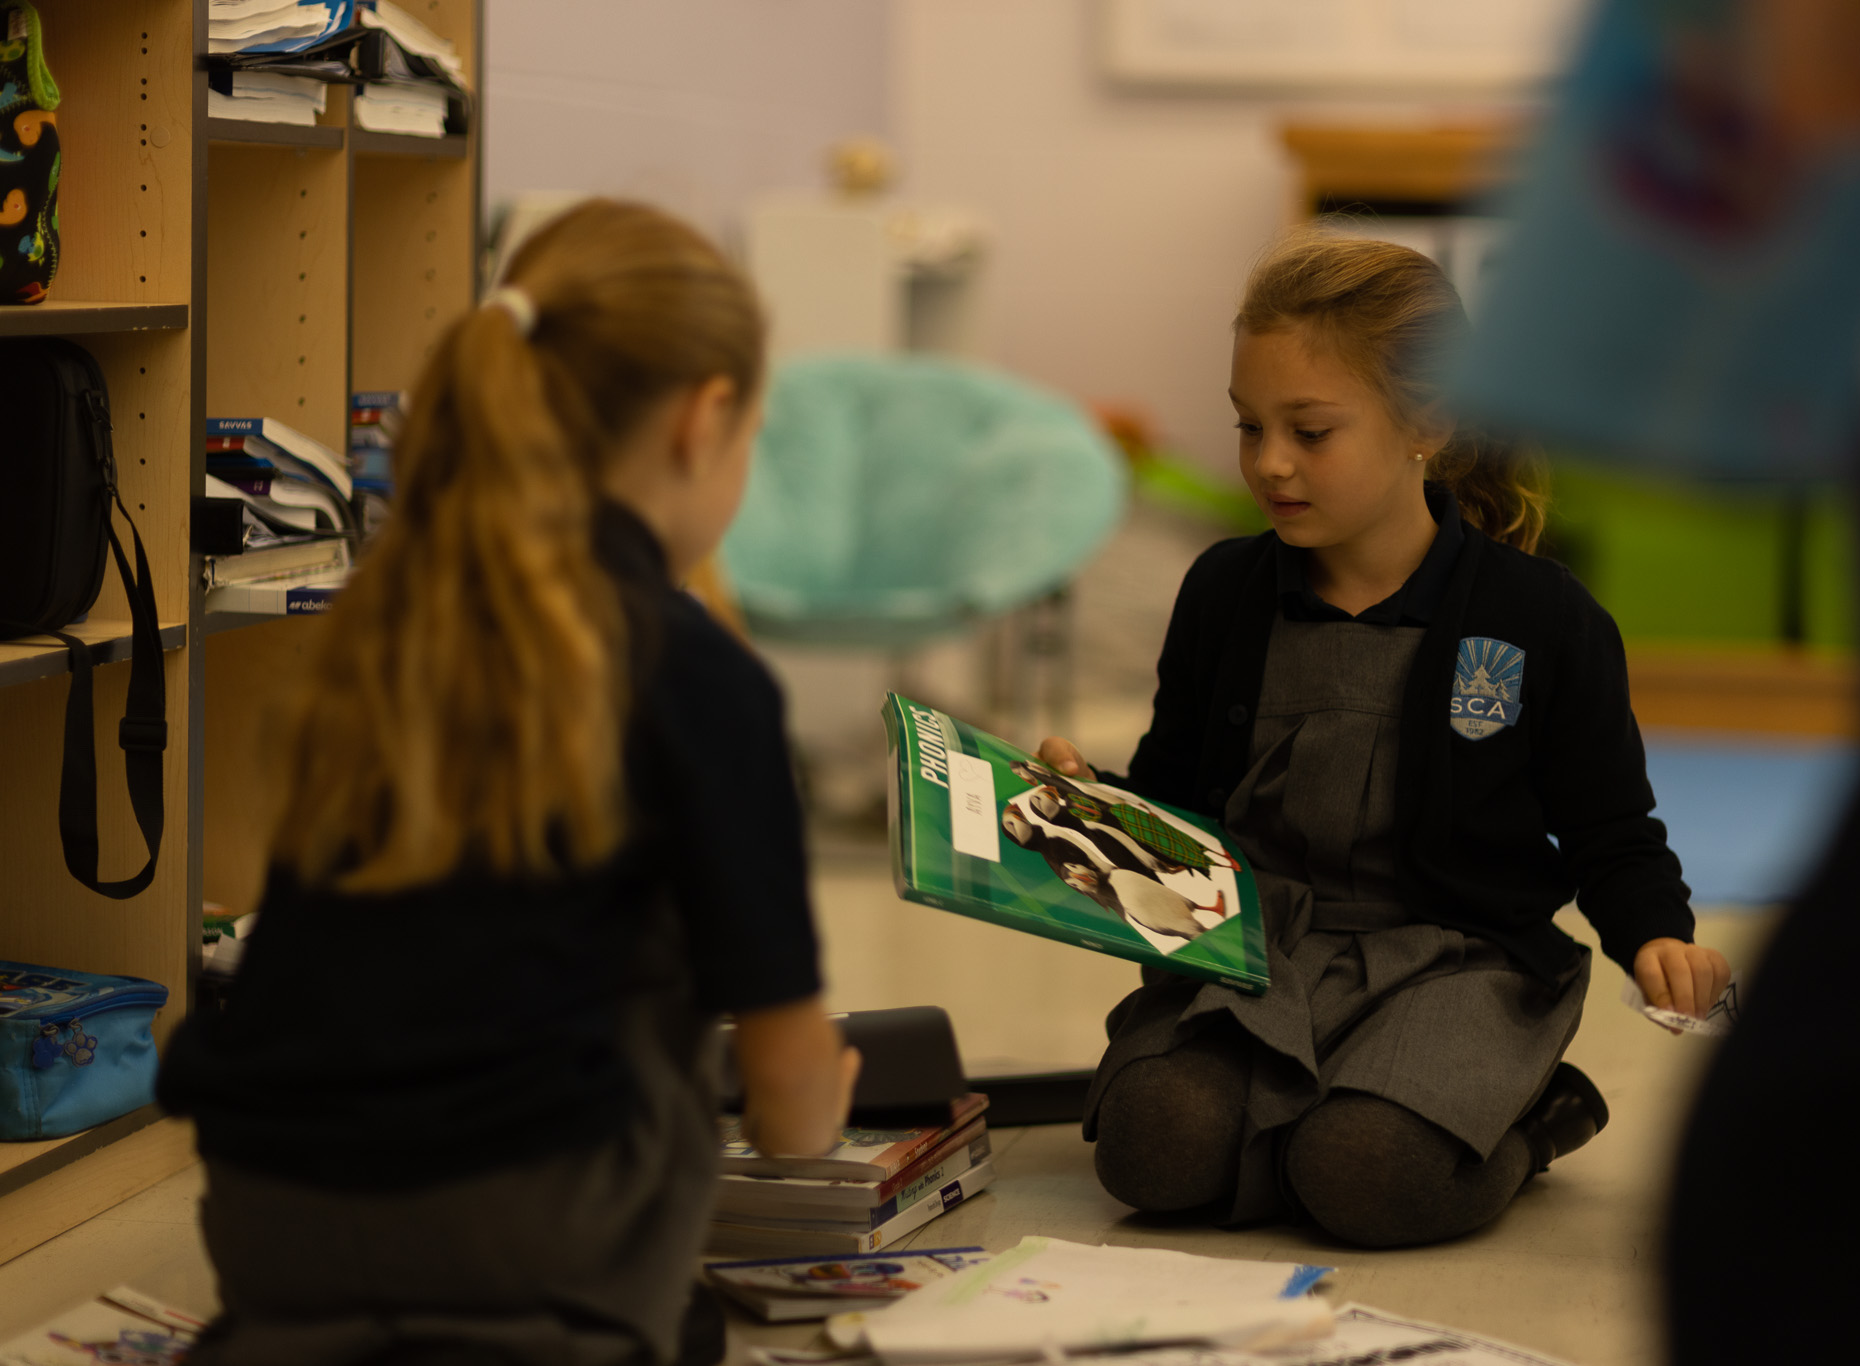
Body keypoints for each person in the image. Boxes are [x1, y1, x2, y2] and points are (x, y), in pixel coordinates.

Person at [158, 201, 861, 1366]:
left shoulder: (378, 631)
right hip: (529, 1237)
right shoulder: (695, 671)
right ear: (703, 422)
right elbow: (785, 1091)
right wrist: (817, 1107)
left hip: (264, 1215)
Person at [1035, 225, 1729, 1249]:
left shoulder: (1541, 617)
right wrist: (1086, 806)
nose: (1269, 463)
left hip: (1456, 966)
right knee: (1153, 1151)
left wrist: (1655, 935)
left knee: (1364, 1172)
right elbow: (1175, 799)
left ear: (1426, 425)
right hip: (1260, 954)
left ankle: (1531, 1117)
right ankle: (1304, 1123)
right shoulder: (1223, 591)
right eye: (1247, 426)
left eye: (1310, 431)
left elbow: (1609, 826)